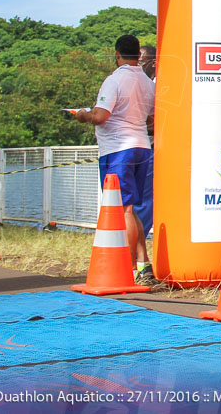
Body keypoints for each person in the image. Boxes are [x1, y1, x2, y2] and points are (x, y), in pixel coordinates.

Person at [74, 35, 156, 286]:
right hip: (142, 147)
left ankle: (128, 268)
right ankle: (143, 264)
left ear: (117, 54)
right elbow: (152, 120)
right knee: (132, 210)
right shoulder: (147, 82)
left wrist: (82, 115)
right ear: (138, 56)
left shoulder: (114, 80)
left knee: (124, 210)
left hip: (118, 149)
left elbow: (100, 116)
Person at [134, 44, 156, 238]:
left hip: (151, 151)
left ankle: (135, 253)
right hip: (133, 149)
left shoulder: (160, 87)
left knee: (143, 202)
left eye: (140, 61)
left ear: (153, 64)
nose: (135, 65)